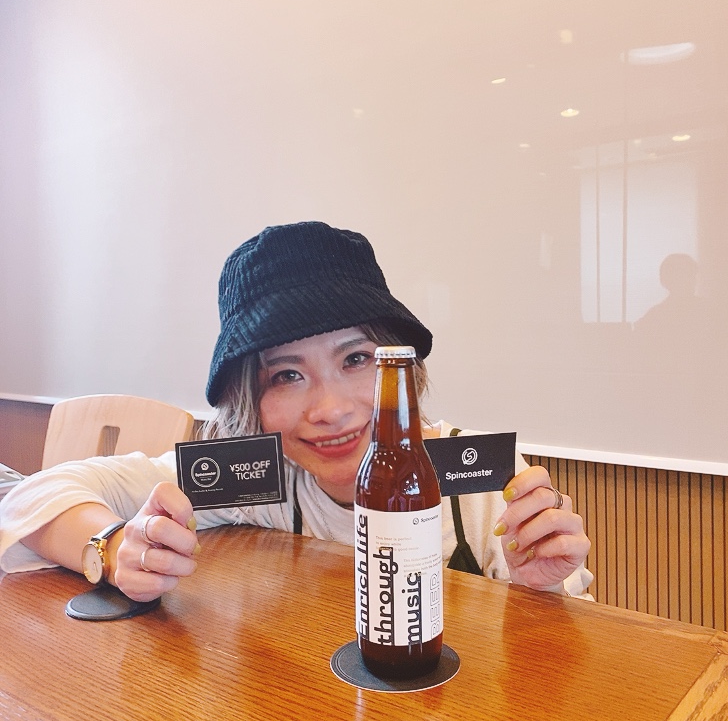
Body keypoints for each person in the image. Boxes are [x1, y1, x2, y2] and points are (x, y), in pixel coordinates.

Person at [0, 221, 592, 602]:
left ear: (399, 365)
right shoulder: (256, 475)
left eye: (356, 359)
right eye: (286, 375)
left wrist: (541, 589)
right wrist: (110, 549)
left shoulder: (483, 483)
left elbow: (565, 662)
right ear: (251, 401)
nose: (330, 410)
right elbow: (32, 496)